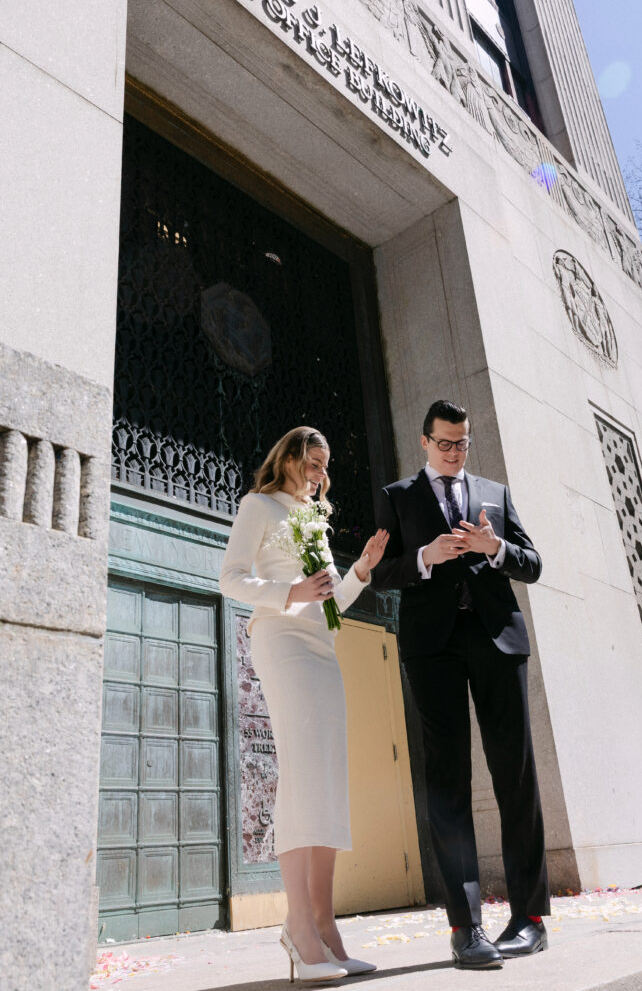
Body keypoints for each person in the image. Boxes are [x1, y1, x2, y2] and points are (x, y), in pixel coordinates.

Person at [371, 400, 550, 969]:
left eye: (462, 444)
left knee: (514, 774)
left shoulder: (494, 491)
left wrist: (493, 548)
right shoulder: (398, 496)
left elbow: (533, 563)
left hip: (498, 638)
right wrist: (424, 556)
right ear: (424, 441)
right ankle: (465, 927)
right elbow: (378, 572)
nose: (454, 453)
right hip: (434, 648)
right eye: (445, 443)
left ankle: (529, 919)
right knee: (447, 780)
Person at [219, 426, 388, 983]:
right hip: (281, 641)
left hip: (321, 646)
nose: (319, 474)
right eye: (313, 462)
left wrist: (361, 569)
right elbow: (230, 579)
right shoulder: (259, 505)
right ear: (289, 457)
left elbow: (332, 602)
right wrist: (288, 594)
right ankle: (298, 926)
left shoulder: (313, 517)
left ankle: (325, 925)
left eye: (325, 466)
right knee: (301, 777)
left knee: (327, 781)